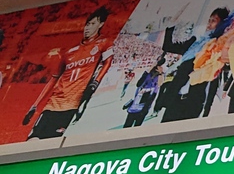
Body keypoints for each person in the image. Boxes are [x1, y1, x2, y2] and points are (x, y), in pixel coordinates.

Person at [24, 7, 113, 140]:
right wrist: (35, 105)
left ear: (101, 24)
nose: (88, 28)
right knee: (32, 141)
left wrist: (96, 82)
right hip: (53, 104)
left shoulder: (104, 43)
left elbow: (108, 63)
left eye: (93, 24)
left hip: (72, 105)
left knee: (54, 143)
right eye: (87, 24)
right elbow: (54, 79)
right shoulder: (69, 52)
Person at [161, 7, 232, 122]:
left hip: (193, 105)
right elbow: (167, 46)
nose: (209, 24)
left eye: (213, 21)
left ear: (221, 24)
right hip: (174, 100)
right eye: (209, 20)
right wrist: (171, 25)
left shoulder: (219, 49)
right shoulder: (195, 43)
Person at [122, 60, 163, 127]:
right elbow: (139, 83)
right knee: (128, 126)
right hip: (135, 107)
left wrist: (161, 72)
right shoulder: (146, 77)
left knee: (135, 126)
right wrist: (153, 66)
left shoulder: (158, 79)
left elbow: (160, 84)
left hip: (143, 108)